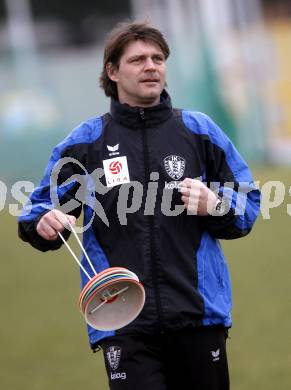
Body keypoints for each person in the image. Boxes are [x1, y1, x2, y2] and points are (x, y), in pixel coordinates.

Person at [18, 21, 260, 390]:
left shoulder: (200, 130)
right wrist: (43, 223)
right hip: (120, 317)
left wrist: (216, 204)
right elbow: (38, 210)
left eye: (158, 58)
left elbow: (248, 203)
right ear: (112, 72)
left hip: (198, 316)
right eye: (138, 59)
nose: (151, 66)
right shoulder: (86, 142)